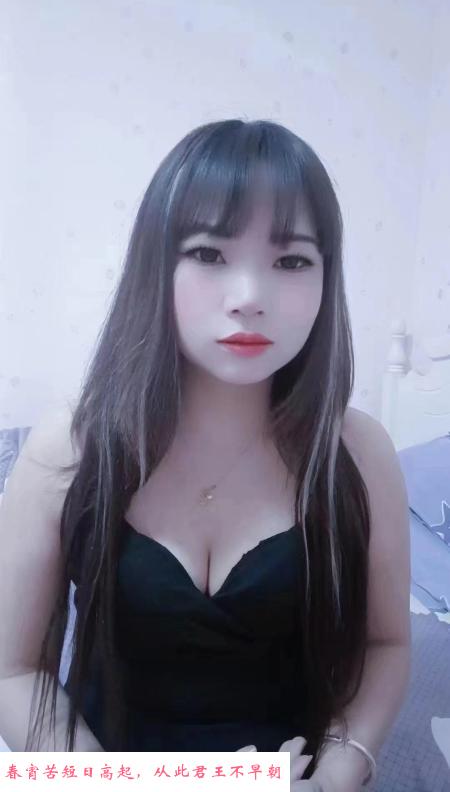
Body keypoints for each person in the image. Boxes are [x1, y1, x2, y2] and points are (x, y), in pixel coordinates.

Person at [0, 119, 411, 791]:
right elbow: (13, 669)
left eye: (291, 261)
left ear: (325, 278)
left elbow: (387, 643)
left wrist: (338, 771)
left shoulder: (357, 454)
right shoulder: (69, 450)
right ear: (156, 266)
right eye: (209, 253)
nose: (249, 298)